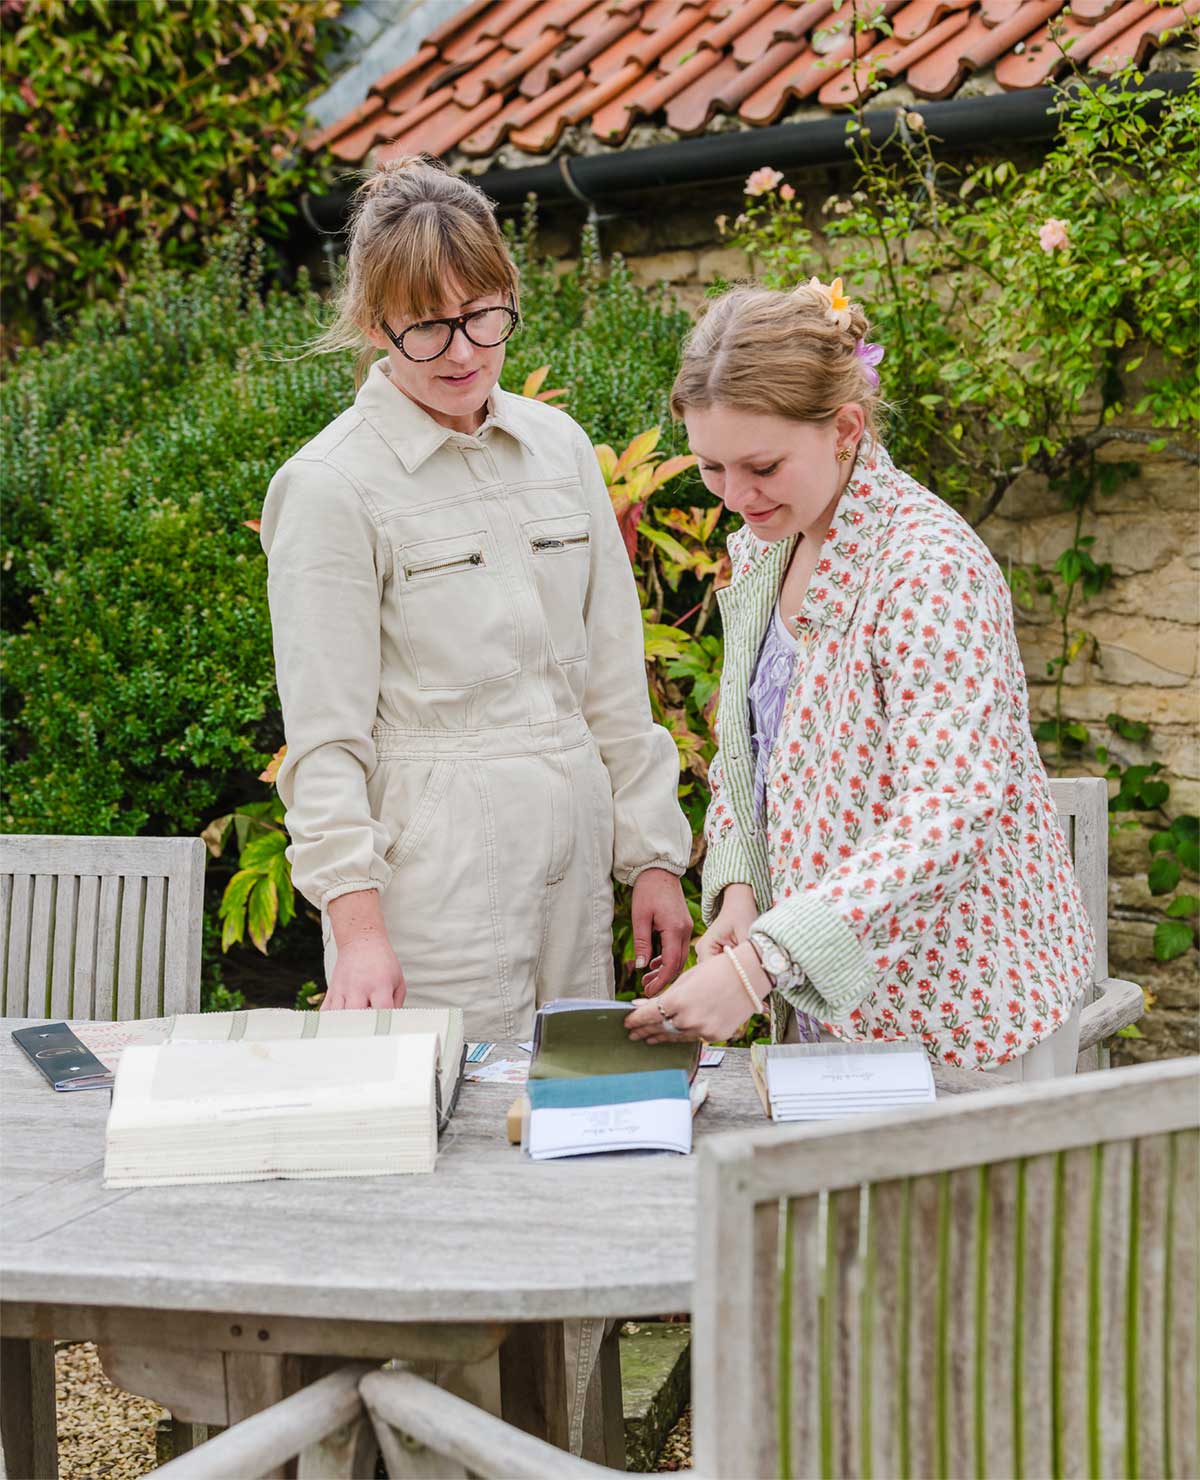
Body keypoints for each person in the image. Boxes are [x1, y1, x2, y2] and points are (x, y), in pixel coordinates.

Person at [261, 156, 692, 1042]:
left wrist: (653, 858)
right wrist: (359, 932)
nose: (463, 352)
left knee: (565, 1095)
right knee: (441, 1107)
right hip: (431, 886)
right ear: (374, 323)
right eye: (428, 326)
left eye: (483, 316)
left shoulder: (560, 448)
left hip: (572, 865)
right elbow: (325, 740)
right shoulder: (329, 487)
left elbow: (614, 679)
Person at [626, 279, 1093, 1080]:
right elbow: (749, 750)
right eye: (711, 468)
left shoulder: (928, 569)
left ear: (845, 429)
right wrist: (740, 889)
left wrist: (757, 967)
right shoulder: (767, 547)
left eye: (762, 465)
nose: (736, 498)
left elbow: (949, 812)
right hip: (822, 1002)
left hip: (959, 1012)